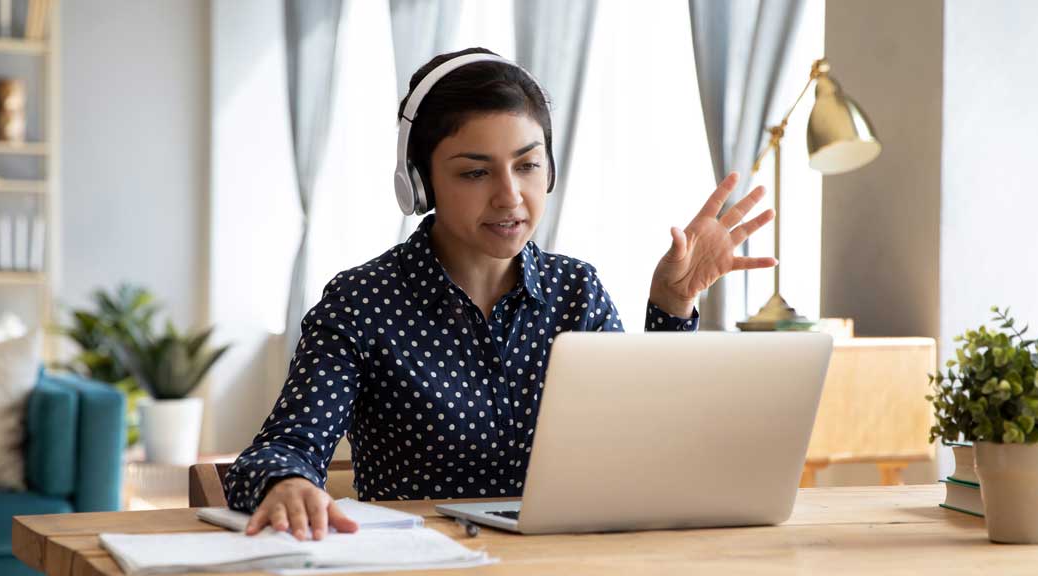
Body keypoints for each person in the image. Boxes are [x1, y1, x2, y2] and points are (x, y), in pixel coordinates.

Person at [223, 47, 776, 540]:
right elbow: (280, 449)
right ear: (419, 182)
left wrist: (672, 307)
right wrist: (288, 483)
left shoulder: (575, 291)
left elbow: (652, 445)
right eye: (474, 173)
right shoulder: (362, 302)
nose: (510, 196)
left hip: (568, 575)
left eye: (528, 164)